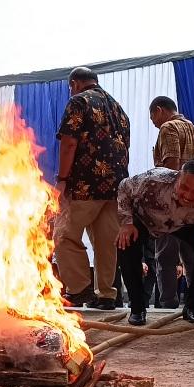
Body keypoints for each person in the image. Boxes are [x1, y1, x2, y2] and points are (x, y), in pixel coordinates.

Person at [54, 67, 130, 310]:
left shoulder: (78, 102)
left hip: (85, 185)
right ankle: (106, 294)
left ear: (75, 83)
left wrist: (62, 178)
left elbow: (69, 143)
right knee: (106, 242)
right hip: (116, 187)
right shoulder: (118, 108)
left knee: (63, 235)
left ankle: (79, 289)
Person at [116, 158, 194, 326]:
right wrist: (126, 223)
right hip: (144, 220)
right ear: (178, 176)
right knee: (125, 243)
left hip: (181, 225)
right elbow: (124, 186)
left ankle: (193, 307)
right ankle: (137, 308)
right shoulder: (154, 179)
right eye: (185, 187)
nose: (188, 196)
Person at [149, 96, 194, 309]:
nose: (155, 123)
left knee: (166, 257)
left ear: (159, 110)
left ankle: (167, 304)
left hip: (173, 203)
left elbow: (171, 168)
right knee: (192, 257)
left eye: (153, 118)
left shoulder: (169, 128)